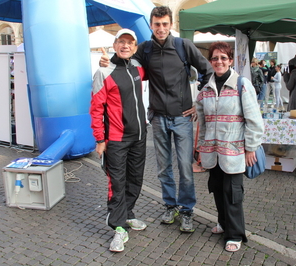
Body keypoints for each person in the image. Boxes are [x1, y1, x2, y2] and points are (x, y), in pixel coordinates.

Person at [100, 6, 213, 233]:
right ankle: (170, 206)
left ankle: (187, 210)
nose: (161, 28)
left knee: (185, 168)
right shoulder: (145, 49)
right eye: (156, 24)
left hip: (181, 118)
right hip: (158, 118)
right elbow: (126, 61)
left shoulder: (184, 46)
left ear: (170, 25)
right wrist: (108, 62)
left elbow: (207, 71)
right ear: (151, 25)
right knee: (164, 169)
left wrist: (198, 104)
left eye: (164, 24)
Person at [196, 41, 264, 252]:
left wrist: (251, 147)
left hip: (235, 151)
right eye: (215, 58)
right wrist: (200, 148)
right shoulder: (206, 88)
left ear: (231, 60)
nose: (219, 62)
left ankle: (234, 234)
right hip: (213, 151)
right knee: (217, 188)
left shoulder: (242, 84)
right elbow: (202, 121)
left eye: (223, 58)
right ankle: (223, 223)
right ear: (210, 61)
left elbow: (254, 120)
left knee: (232, 192)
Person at [90, 29, 147, 252]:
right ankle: (118, 227)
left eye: (129, 43)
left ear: (134, 47)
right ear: (114, 45)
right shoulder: (103, 72)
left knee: (135, 180)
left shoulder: (138, 68)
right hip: (116, 139)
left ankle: (128, 214)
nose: (125, 46)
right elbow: (96, 108)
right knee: (117, 183)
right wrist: (99, 139)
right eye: (121, 42)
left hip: (139, 137)